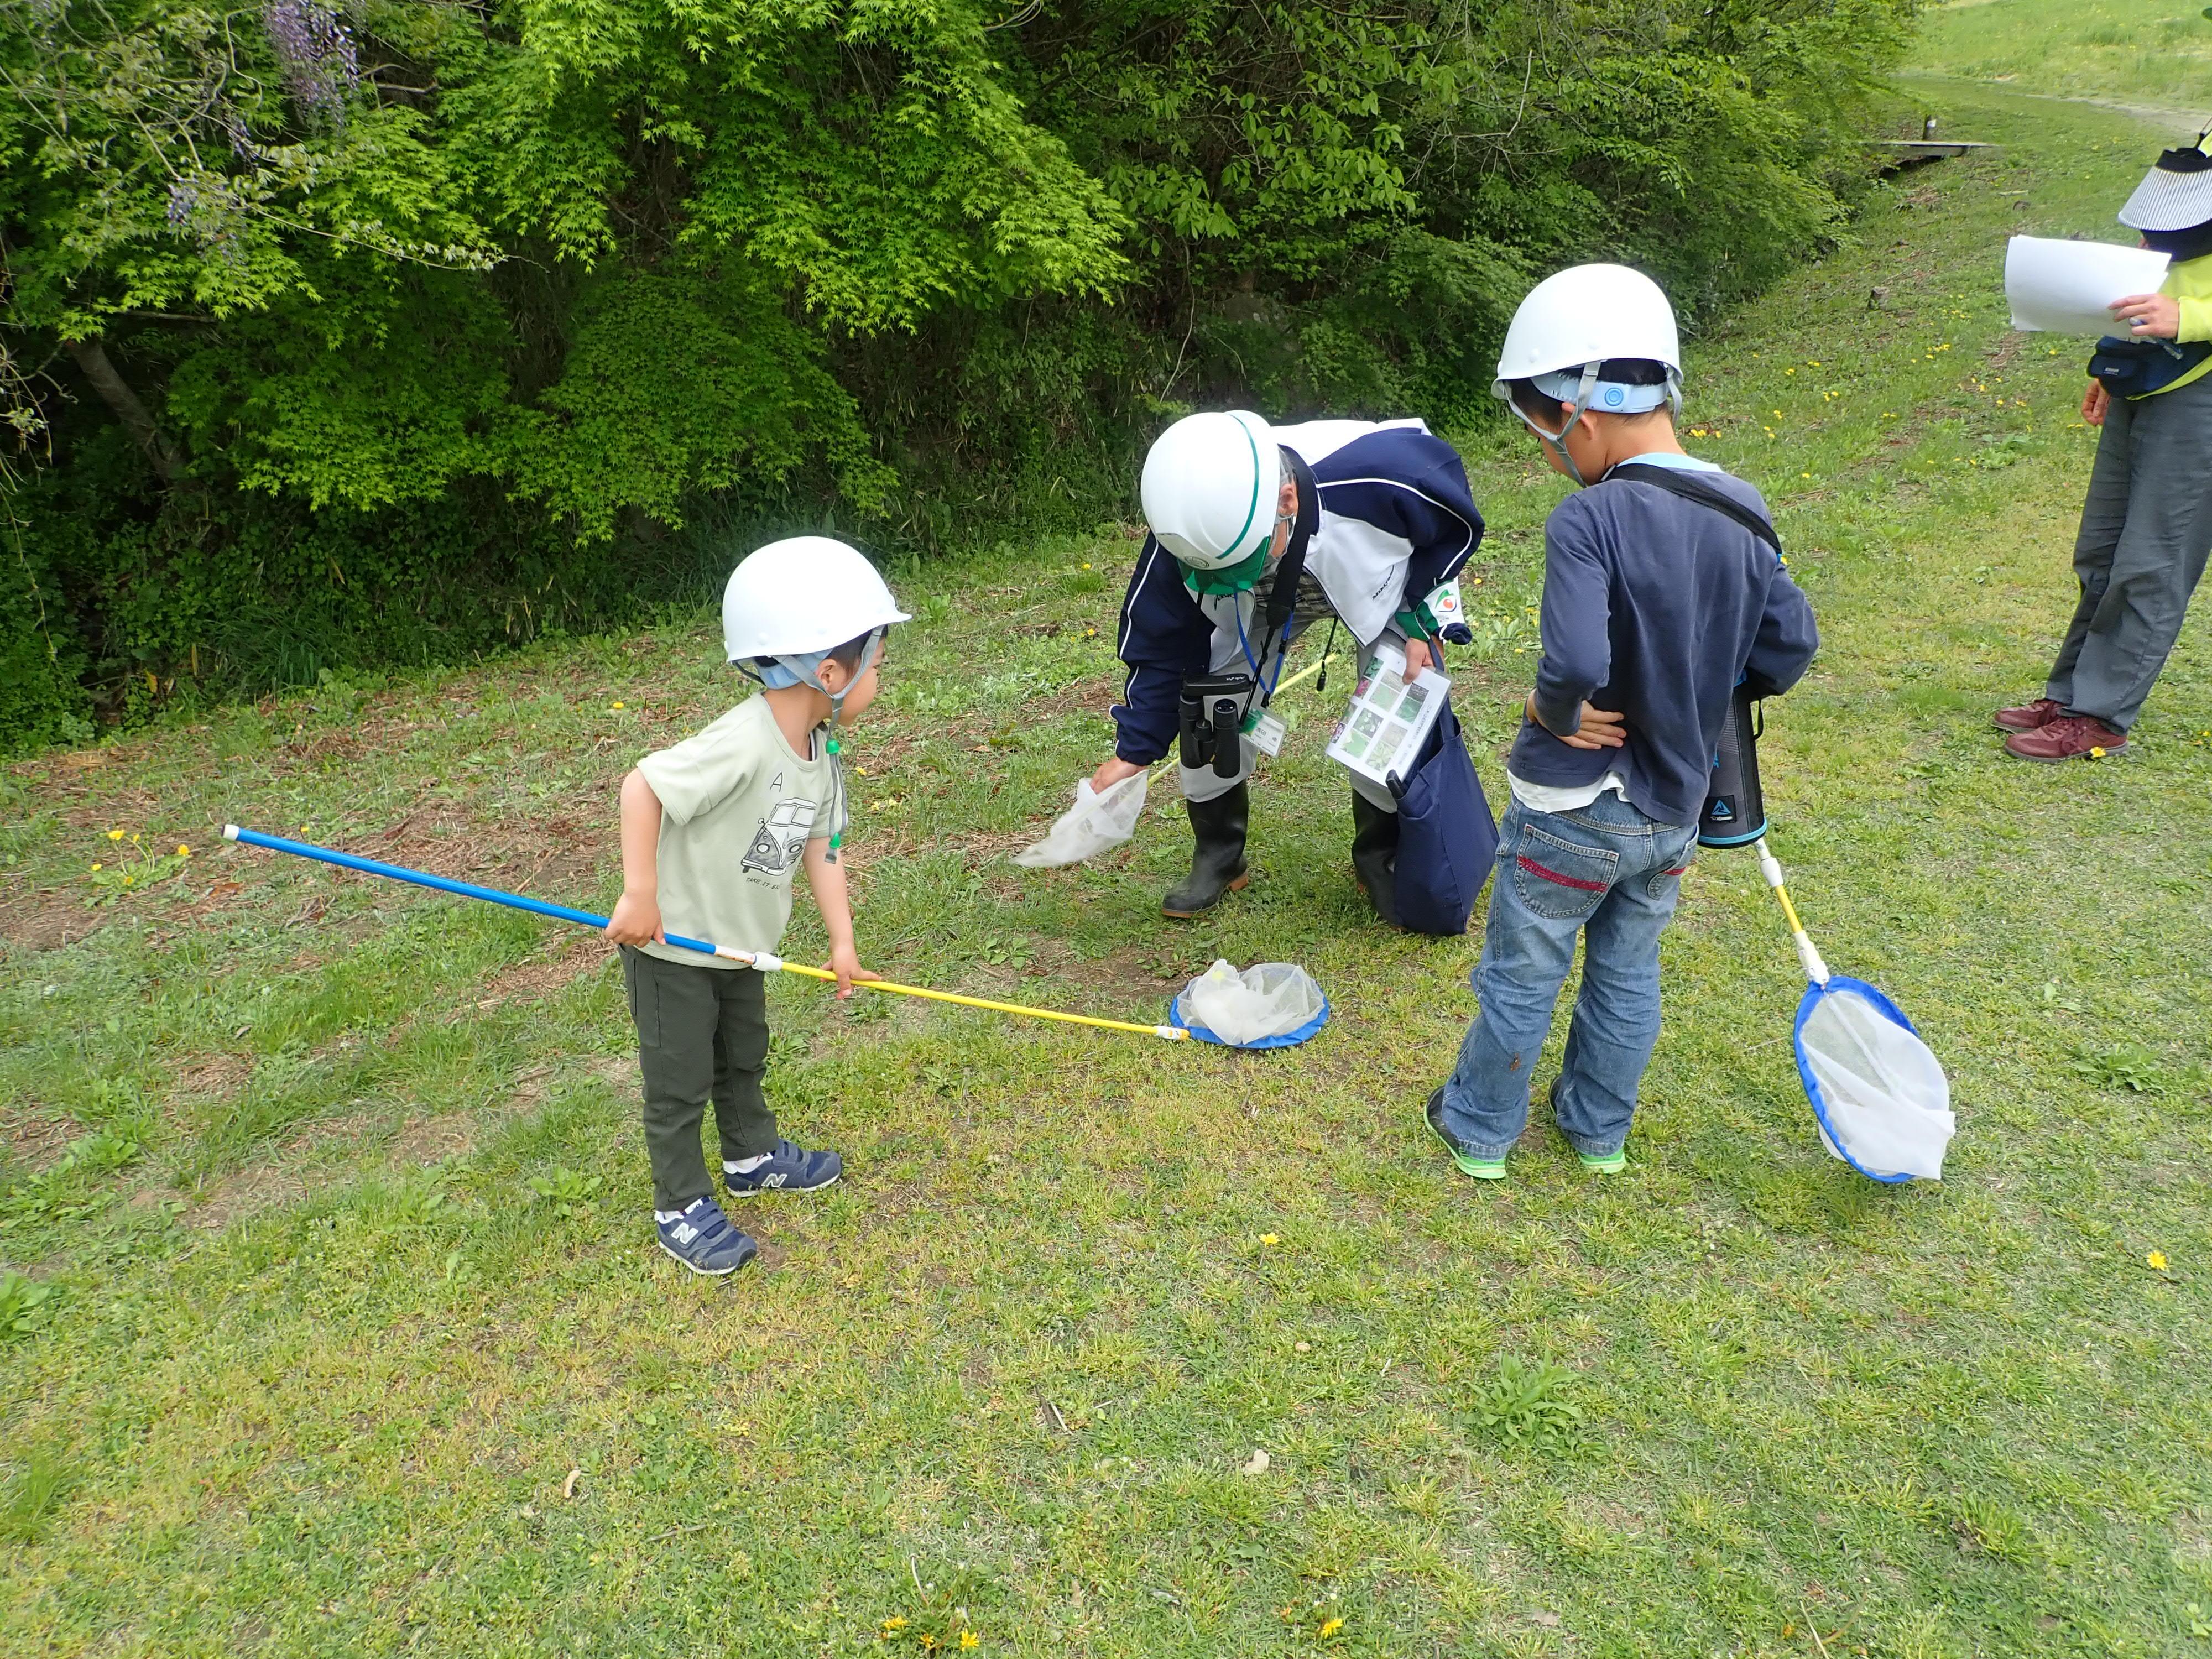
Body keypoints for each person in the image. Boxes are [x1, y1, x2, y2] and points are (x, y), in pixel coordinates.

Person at [1425, 264, 1818, 1180]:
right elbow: (1790, 645)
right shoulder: (1745, 509)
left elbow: (1572, 663)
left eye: (1540, 435)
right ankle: (1598, 1133)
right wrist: (1702, 685)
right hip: (1676, 807)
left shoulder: (1589, 519)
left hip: (1575, 807)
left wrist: (1551, 709)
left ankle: (1481, 1128)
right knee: (1628, 966)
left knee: (1525, 966)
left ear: (1581, 416)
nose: (1545, 456)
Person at [604, 536, 907, 1275]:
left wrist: (843, 942)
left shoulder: (819, 751)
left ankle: (751, 1156)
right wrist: (640, 895)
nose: (881, 679)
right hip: (674, 947)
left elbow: (822, 847)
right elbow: (642, 788)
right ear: (830, 671)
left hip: (741, 948)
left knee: (742, 1057)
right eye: (878, 663)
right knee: (678, 1082)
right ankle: (678, 1204)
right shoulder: (744, 742)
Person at [1089, 410, 1484, 922]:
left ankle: (1379, 855)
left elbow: (1454, 525)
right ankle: (1220, 853)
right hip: (1262, 601)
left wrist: (1423, 613)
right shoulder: (1186, 534)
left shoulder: (1387, 475)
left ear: (1288, 501)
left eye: (1240, 563)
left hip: (1377, 582)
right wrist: (1136, 749)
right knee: (1208, 701)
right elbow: (1160, 645)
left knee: (1398, 700)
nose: (1227, 577)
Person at [1997, 136, 2212, 761]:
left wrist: (2190, 319)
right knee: (2103, 547)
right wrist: (2115, 366)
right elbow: (2163, 267)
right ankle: (2069, 695)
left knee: (2153, 557)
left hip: (2201, 393)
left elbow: (2183, 301)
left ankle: (2100, 715)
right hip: (2150, 372)